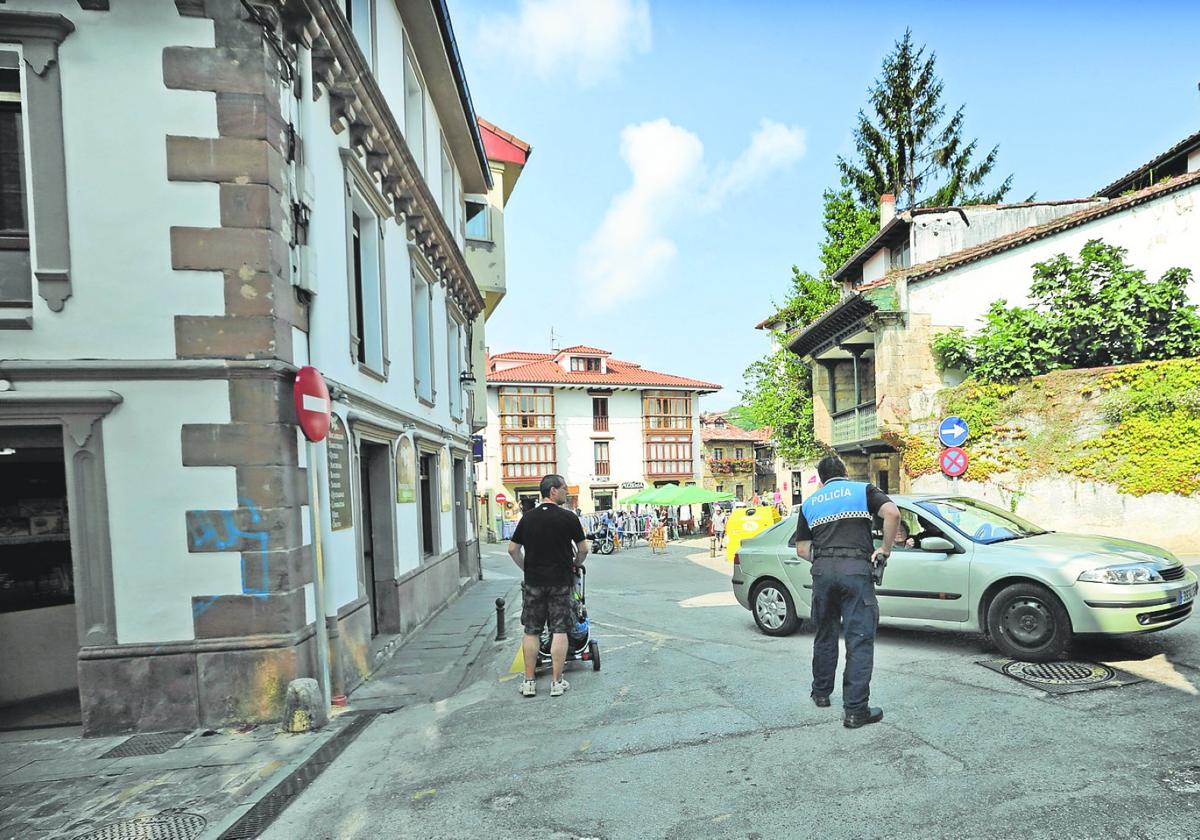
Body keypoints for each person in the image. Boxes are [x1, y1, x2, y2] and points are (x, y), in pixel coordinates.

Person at [794, 454, 900, 729]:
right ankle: (855, 710)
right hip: (856, 569)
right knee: (859, 638)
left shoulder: (810, 503)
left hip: (822, 573)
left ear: (821, 478)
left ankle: (821, 693)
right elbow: (893, 513)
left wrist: (827, 561)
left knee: (825, 634)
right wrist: (884, 550)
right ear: (845, 472)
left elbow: (802, 550)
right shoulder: (861, 490)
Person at [507, 474, 589, 698]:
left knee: (531, 631)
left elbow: (513, 549)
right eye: (564, 489)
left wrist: (527, 568)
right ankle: (556, 682)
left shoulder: (527, 518)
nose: (566, 493)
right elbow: (583, 549)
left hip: (534, 582)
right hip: (561, 582)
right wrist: (575, 564)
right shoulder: (568, 518)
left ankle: (529, 682)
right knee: (559, 630)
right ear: (553, 491)